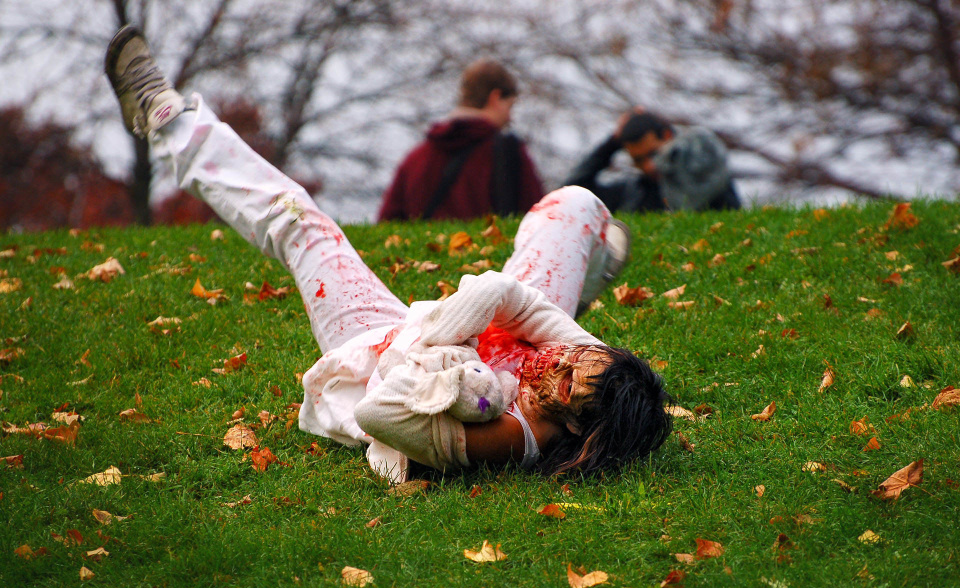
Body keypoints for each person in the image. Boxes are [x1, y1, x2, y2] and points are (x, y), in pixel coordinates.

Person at [104, 26, 672, 484]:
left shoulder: (506, 433)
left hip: (382, 352)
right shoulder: (593, 365)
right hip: (470, 329)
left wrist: (444, 338)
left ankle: (166, 117)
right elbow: (502, 292)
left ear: (574, 426)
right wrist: (487, 323)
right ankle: (586, 280)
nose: (559, 361)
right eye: (578, 357)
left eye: (568, 380)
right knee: (574, 204)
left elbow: (377, 413)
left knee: (301, 222)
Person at [377, 58, 545, 222]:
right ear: (495, 97)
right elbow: (537, 220)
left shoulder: (416, 158)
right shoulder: (509, 152)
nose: (510, 118)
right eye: (510, 106)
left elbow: (387, 224)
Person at [566, 110, 741, 213]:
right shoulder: (634, 192)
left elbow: (694, 198)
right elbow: (572, 195)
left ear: (667, 136)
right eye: (639, 160)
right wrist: (611, 143)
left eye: (653, 154)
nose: (649, 166)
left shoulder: (701, 164)